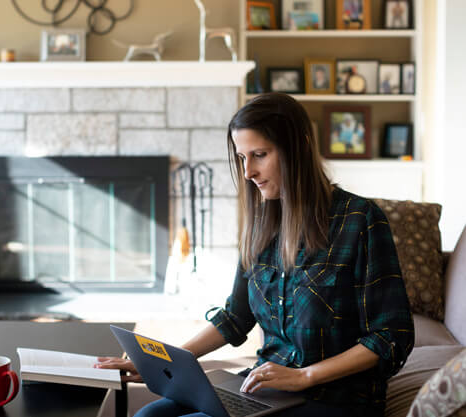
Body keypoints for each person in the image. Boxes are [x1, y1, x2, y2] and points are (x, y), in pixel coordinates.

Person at [96, 93, 414, 417]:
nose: (248, 172)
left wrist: (304, 376)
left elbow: (391, 337)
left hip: (335, 398)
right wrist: (163, 363)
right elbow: (236, 318)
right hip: (265, 387)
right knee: (148, 416)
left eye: (260, 154)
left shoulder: (360, 220)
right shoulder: (263, 224)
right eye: (242, 157)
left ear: (298, 147)